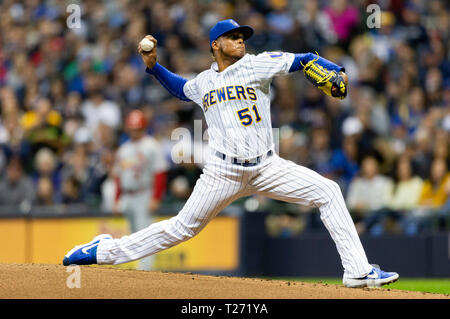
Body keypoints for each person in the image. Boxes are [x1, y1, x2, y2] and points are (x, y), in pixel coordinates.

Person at [63, 19, 398, 288]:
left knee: (329, 191)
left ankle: (357, 271)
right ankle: (103, 251)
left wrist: (334, 68)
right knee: (181, 229)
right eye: (232, 36)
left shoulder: (257, 65)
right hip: (223, 173)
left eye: (242, 36)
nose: (240, 40)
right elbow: (181, 89)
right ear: (215, 45)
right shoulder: (204, 82)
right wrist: (153, 67)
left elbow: (304, 60)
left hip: (268, 167)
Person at [111, 109, 168, 270]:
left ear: (144, 128)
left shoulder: (151, 145)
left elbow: (160, 173)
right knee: (133, 236)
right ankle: (140, 270)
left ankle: (146, 272)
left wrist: (156, 197)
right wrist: (116, 199)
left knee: (146, 236)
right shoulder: (124, 149)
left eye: (138, 128)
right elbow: (118, 176)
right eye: (132, 128)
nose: (134, 131)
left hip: (144, 193)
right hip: (128, 195)